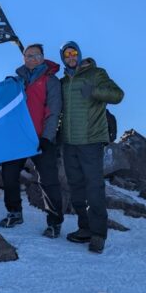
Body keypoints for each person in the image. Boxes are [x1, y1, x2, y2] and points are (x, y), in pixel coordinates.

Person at [59, 41, 124, 254]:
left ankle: (98, 234)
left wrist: (95, 91)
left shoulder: (96, 73)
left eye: (74, 53)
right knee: (76, 188)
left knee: (94, 188)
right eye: (66, 54)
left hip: (91, 141)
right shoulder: (63, 82)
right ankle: (84, 228)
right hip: (69, 143)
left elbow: (117, 95)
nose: (71, 57)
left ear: (79, 54)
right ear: (63, 57)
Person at [0, 44, 64, 238]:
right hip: (18, 138)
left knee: (48, 181)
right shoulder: (17, 81)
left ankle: (54, 222)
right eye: (27, 56)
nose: (31, 59)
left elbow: (53, 111)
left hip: (41, 138)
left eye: (35, 55)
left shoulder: (51, 81)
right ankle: (15, 212)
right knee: (9, 175)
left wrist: (47, 138)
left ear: (42, 57)